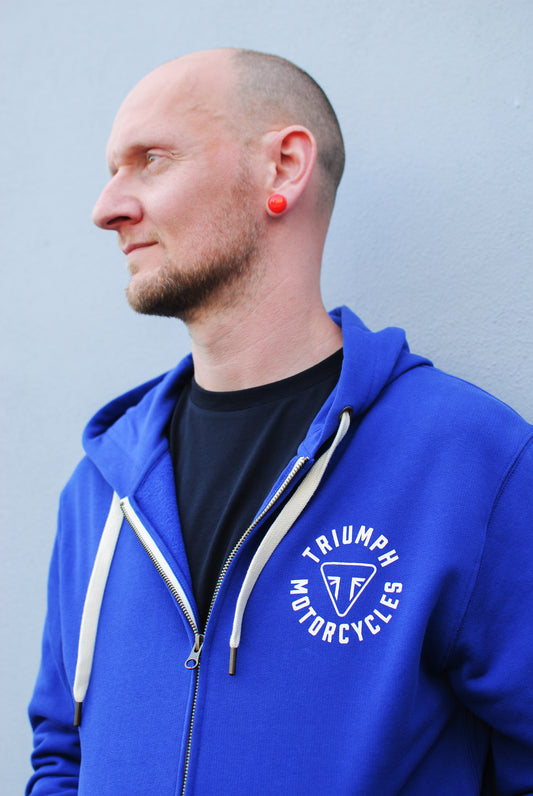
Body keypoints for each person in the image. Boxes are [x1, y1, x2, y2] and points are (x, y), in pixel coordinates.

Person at [27, 48, 533, 795]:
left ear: (283, 168)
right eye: (112, 171)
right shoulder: (101, 489)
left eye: (151, 160)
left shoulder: (468, 460)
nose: (107, 208)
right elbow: (62, 756)